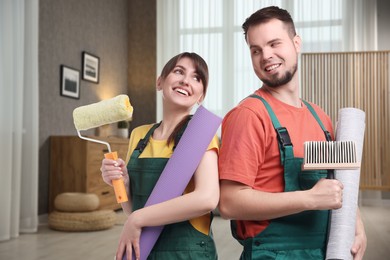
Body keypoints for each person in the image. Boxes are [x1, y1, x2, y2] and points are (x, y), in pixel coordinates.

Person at [218, 6, 367, 260]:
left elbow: (340, 182)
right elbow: (229, 203)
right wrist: (309, 199)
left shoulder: (321, 119)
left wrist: (358, 228)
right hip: (272, 254)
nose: (266, 56)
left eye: (274, 43)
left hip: (325, 251)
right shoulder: (248, 115)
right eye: (256, 50)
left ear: (296, 43)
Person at [101, 52, 219, 260]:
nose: (185, 80)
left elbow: (207, 198)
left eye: (196, 77)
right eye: (179, 71)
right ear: (160, 82)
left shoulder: (201, 133)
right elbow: (132, 209)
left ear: (201, 96)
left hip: (188, 253)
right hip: (145, 248)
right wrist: (121, 182)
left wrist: (137, 219)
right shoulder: (139, 135)